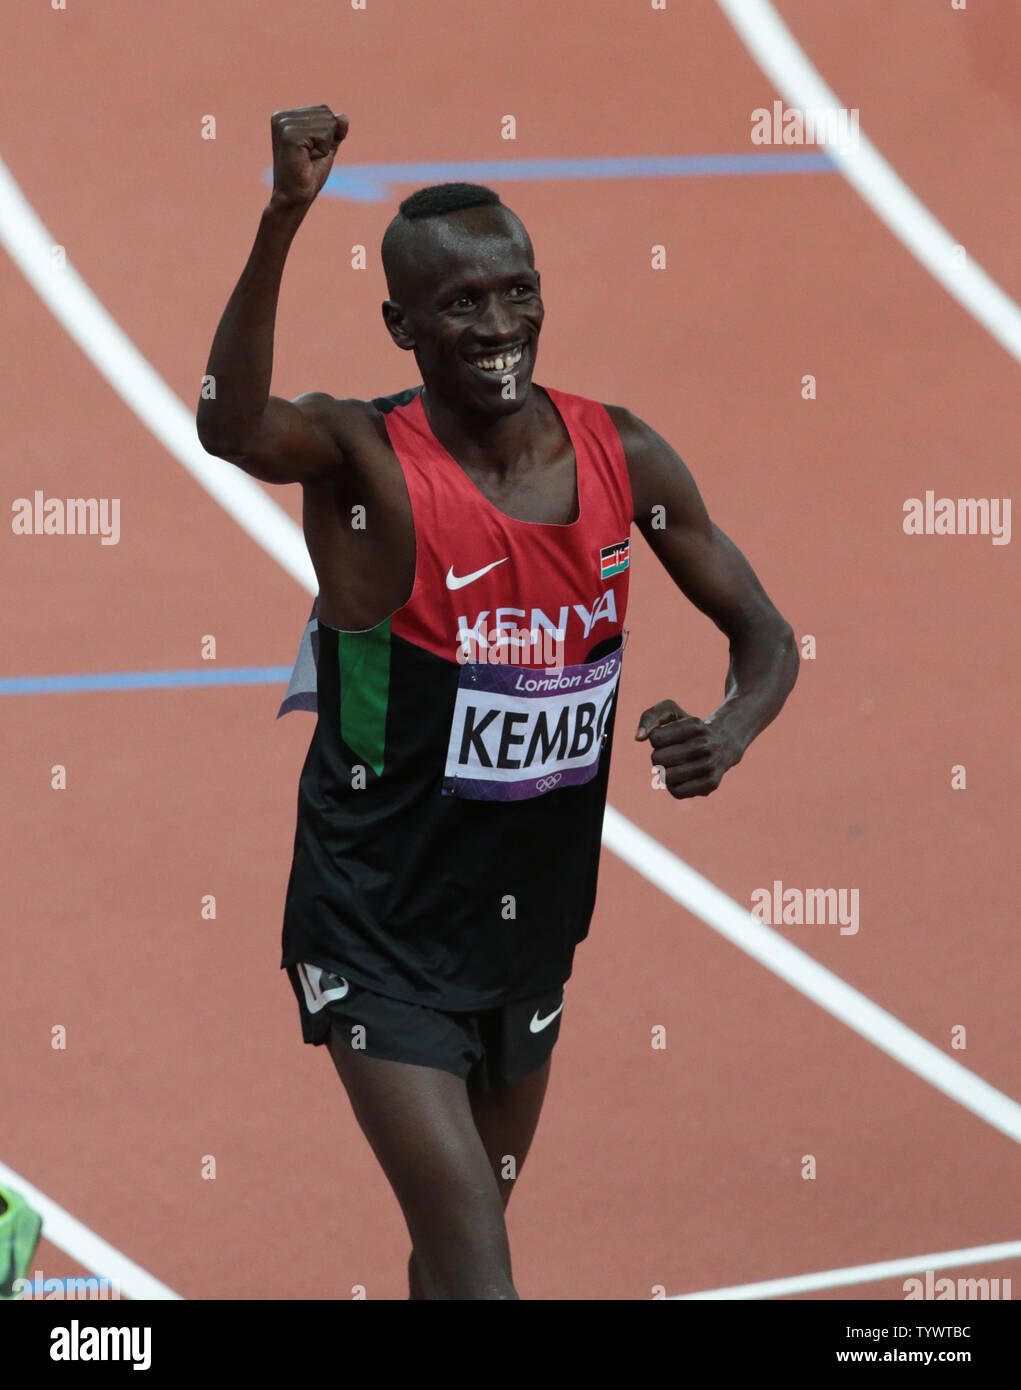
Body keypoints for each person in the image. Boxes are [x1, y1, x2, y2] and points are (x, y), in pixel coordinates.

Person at [196, 105, 799, 1301]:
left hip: (526, 934)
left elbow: (766, 635)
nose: (498, 325)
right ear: (401, 325)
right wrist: (282, 215)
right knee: (479, 1270)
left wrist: (728, 729)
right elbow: (230, 425)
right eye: (462, 305)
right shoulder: (363, 459)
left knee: (448, 1261)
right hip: (373, 931)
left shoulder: (623, 454)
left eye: (516, 292)